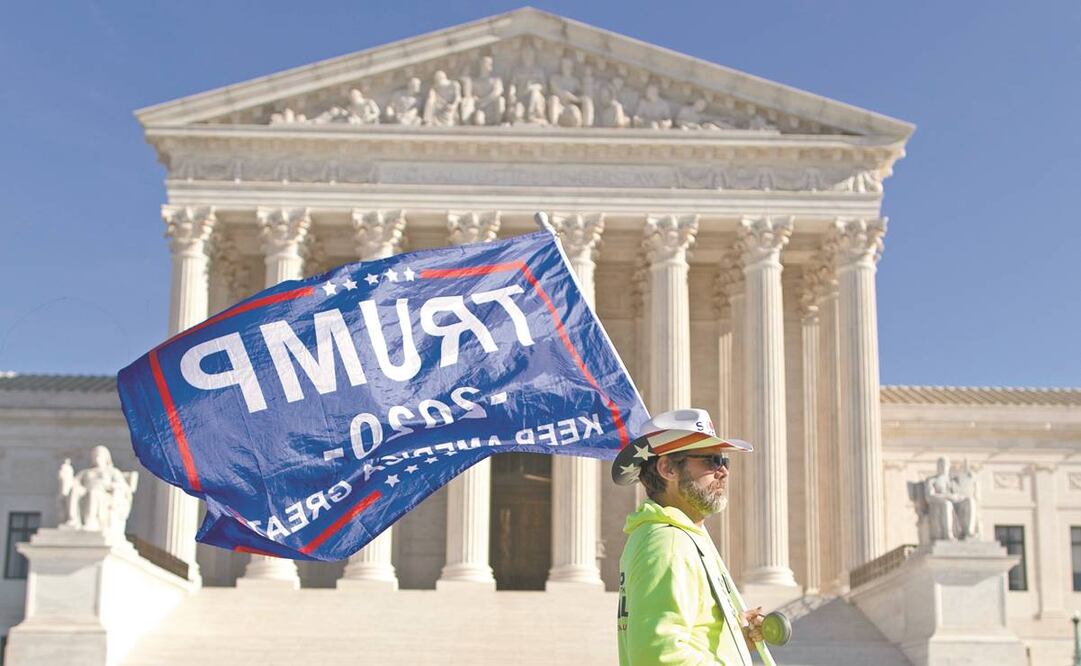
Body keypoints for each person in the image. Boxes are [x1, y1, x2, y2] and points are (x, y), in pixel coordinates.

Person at [613, 408, 764, 665]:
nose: (724, 471)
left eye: (724, 461)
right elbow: (659, 656)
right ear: (667, 469)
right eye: (711, 461)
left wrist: (732, 640)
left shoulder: (673, 536)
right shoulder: (669, 542)